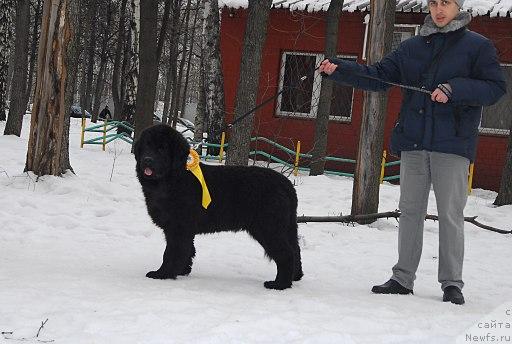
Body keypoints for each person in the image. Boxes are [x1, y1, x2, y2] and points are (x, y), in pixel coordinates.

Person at [319, 0, 506, 305]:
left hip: (453, 145)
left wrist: (454, 89)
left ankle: (451, 283)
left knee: (449, 215)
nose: (439, 9)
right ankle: (402, 278)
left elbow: (495, 88)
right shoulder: (413, 47)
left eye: (446, 3)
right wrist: (339, 69)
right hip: (415, 143)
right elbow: (378, 76)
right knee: (410, 213)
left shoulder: (477, 46)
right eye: (433, 3)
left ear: (457, 7)